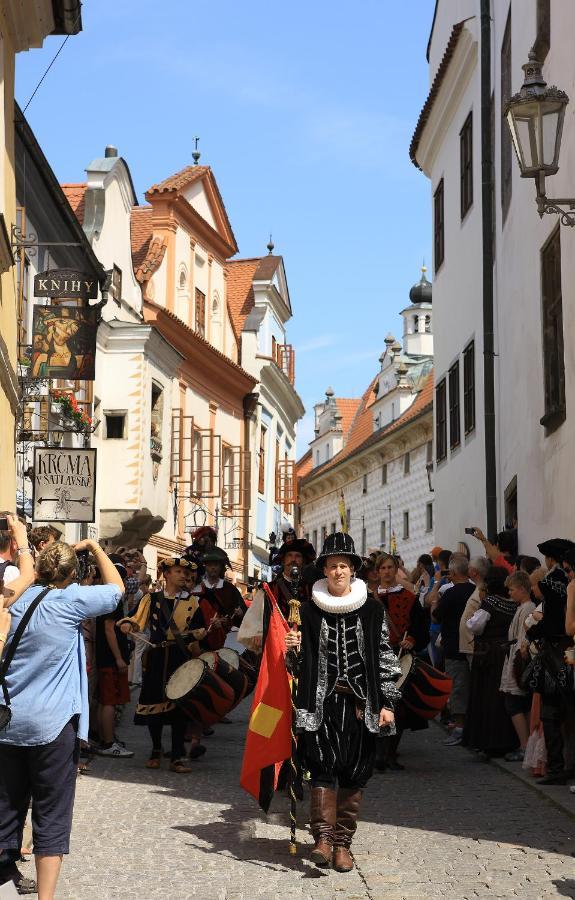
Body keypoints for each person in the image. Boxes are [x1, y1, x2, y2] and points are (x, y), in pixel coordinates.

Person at [0, 539, 123, 900]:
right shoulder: (71, 602)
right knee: (51, 815)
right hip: (52, 727)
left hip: (8, 724)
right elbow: (116, 589)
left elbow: (22, 579)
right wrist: (97, 548)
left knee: (5, 812)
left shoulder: (15, 599)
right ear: (72, 573)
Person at [285, 532, 399, 873]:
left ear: (353, 571)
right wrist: (292, 647)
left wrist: (389, 702)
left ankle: (343, 845)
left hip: (363, 705)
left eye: (343, 566)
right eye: (332, 566)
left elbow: (385, 658)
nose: (338, 572)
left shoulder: (374, 610)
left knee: (355, 773)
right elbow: (295, 668)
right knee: (321, 766)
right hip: (321, 704)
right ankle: (322, 839)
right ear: (324, 571)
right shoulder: (306, 611)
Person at [119, 557, 205, 773]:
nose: (183, 575)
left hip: (181, 658)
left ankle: (177, 756)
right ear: (166, 574)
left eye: (186, 572)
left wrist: (198, 634)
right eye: (178, 571)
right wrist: (128, 625)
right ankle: (156, 750)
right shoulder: (151, 598)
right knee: (154, 704)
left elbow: (199, 629)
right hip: (157, 655)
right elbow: (136, 618)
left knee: (180, 707)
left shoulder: (193, 602)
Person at [375, 552, 429, 770]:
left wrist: (413, 640)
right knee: (377, 705)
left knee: (399, 707)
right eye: (383, 568)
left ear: (395, 569)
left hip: (400, 658)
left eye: (390, 567)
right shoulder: (368, 598)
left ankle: (390, 753)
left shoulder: (409, 598)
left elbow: (420, 627)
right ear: (377, 571)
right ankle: (378, 754)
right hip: (376, 657)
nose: (387, 572)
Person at [527, 538, 575, 784]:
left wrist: (534, 632)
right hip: (566, 650)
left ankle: (557, 767)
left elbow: (554, 621)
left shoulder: (552, 583)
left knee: (551, 712)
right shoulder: (566, 582)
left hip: (557, 654)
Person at [464, 567, 519, 756]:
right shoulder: (513, 603)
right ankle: (504, 741)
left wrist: (472, 618)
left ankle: (488, 741)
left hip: (488, 655)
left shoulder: (491, 602)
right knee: (500, 697)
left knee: (486, 697)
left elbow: (475, 626)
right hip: (504, 652)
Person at [432, 556, 476, 746]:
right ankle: (469, 726)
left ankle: (459, 728)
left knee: (457, 688)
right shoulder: (475, 590)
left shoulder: (451, 593)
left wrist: (434, 602)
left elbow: (436, 617)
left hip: (454, 646)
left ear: (454, 573)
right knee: (471, 686)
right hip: (473, 646)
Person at [95, 560, 133, 758]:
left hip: (103, 655)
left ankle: (105, 739)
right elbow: (109, 628)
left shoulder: (101, 595)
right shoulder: (113, 597)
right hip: (110, 657)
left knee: (104, 701)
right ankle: (109, 743)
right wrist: (119, 658)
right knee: (110, 701)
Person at [499, 571, 535, 762]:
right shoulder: (524, 607)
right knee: (520, 703)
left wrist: (516, 664)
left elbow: (523, 641)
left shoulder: (528, 608)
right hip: (514, 657)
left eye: (512, 590)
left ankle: (525, 745)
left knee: (514, 703)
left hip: (518, 660)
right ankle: (527, 744)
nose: (510, 593)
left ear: (522, 589)